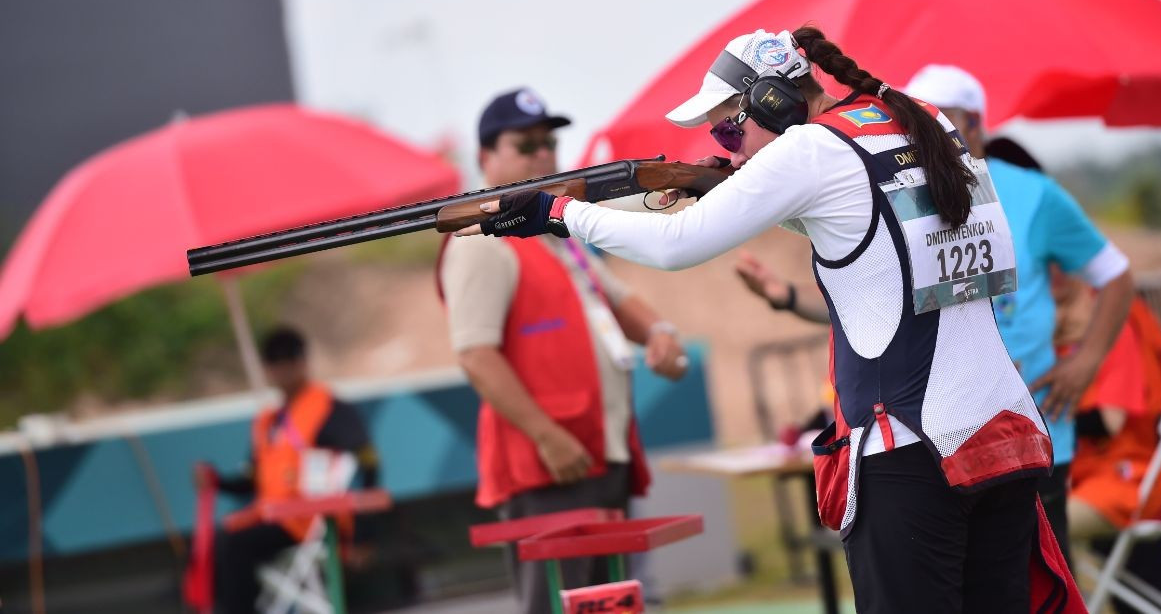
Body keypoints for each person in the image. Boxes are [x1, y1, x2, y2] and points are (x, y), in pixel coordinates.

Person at [461, 30, 1083, 613]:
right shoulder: (914, 120)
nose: (730, 149)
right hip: (1003, 432)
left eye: (729, 132)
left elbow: (675, 245)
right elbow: (862, 223)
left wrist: (557, 213)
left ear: (772, 103)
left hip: (910, 449)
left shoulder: (812, 148)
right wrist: (721, 187)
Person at [436, 88, 689, 614]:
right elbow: (476, 355)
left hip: (597, 454)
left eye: (548, 143)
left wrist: (660, 331)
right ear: (485, 157)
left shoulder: (555, 228)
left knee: (609, 601)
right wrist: (548, 438)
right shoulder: (479, 240)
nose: (542, 154)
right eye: (525, 145)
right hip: (551, 465)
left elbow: (615, 299)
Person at [903, 66, 1136, 561]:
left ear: (975, 124)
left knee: (1043, 581)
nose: (926, 133)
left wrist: (1087, 360)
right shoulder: (904, 198)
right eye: (915, 122)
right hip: (942, 433)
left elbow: (1115, 274)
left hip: (1031, 430)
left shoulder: (1033, 194)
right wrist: (790, 300)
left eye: (941, 119)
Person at [197, 326, 380, 614]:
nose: (283, 371)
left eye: (289, 362)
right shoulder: (269, 421)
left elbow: (368, 465)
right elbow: (252, 480)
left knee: (234, 544)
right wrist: (215, 481)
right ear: (267, 370)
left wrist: (363, 535)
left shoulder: (331, 409)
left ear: (303, 362)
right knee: (214, 543)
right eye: (275, 364)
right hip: (273, 516)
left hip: (313, 523)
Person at [1053, 266, 1161, 613]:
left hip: (1123, 481)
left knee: (1038, 526)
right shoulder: (1058, 339)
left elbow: (1108, 421)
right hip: (1086, 479)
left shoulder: (1113, 328)